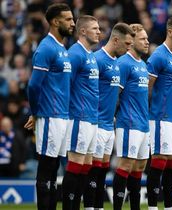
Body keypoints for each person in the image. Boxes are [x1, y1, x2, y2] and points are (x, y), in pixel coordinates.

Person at [24, 3, 74, 210]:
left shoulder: (62, 48)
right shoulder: (46, 48)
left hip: (62, 115)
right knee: (46, 166)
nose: (72, 23)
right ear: (55, 22)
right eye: (68, 19)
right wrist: (36, 113)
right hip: (50, 115)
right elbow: (34, 85)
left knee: (54, 168)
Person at [84, 23, 134, 210]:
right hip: (95, 123)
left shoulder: (116, 63)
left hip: (108, 123)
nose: (129, 48)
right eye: (127, 44)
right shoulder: (97, 59)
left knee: (103, 170)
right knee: (94, 170)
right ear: (115, 40)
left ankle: (98, 207)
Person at [146, 16, 172, 210]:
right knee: (159, 162)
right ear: (170, 31)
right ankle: (154, 206)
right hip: (161, 118)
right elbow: (146, 87)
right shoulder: (158, 56)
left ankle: (170, 206)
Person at [61, 15, 100, 210]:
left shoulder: (91, 54)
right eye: (94, 28)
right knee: (76, 164)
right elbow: (65, 85)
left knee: (86, 165)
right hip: (79, 117)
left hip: (92, 118)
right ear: (83, 31)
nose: (99, 32)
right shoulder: (75, 54)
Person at [112, 23, 150, 210]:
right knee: (126, 165)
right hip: (128, 122)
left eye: (147, 39)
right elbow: (114, 94)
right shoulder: (123, 63)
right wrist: (113, 115)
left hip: (143, 124)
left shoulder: (142, 65)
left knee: (139, 168)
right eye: (143, 39)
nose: (147, 42)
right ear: (132, 41)